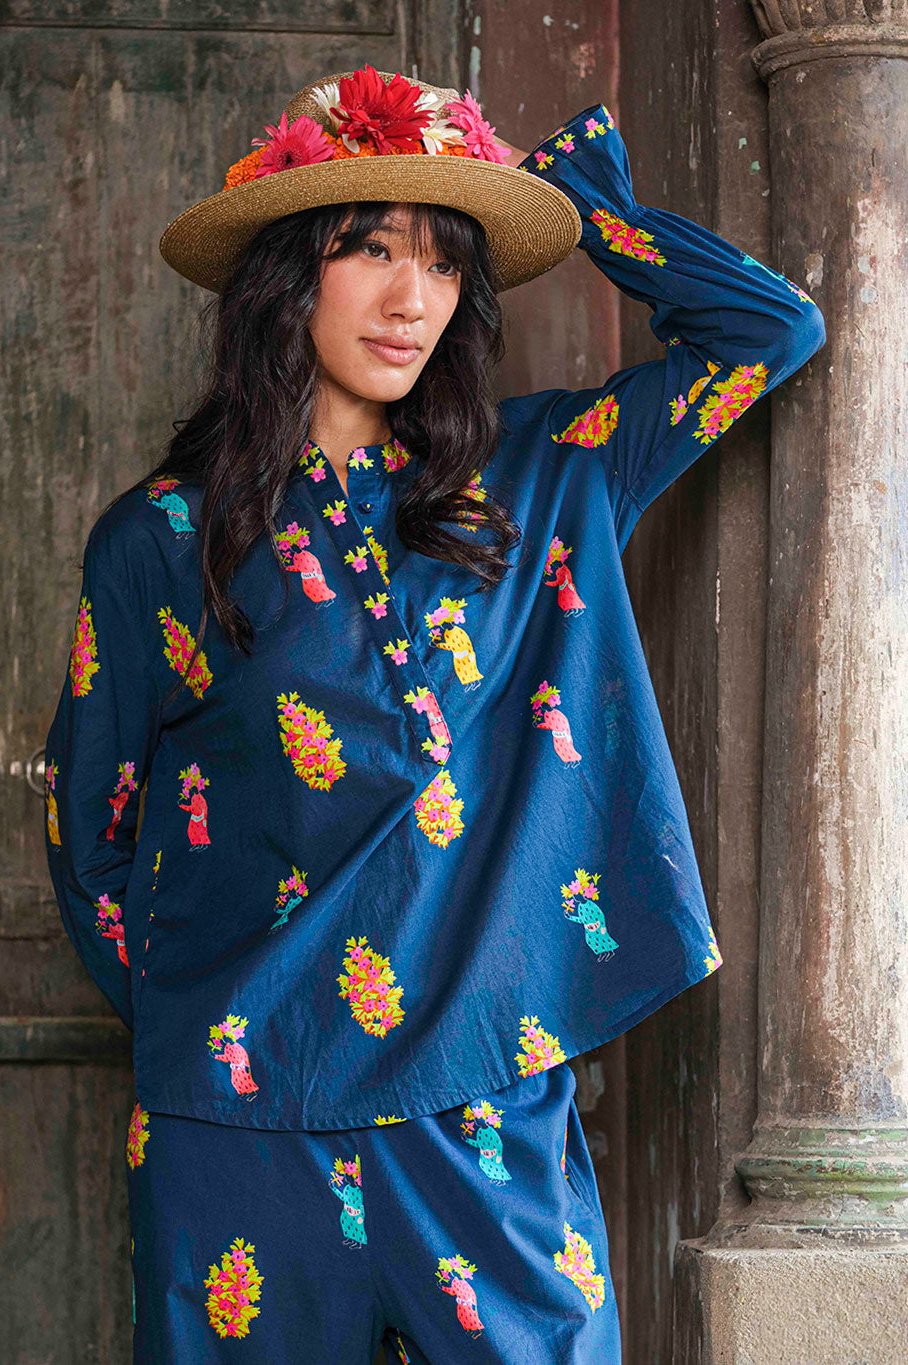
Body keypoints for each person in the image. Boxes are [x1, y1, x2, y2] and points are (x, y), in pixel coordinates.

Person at [43, 63, 825, 1363]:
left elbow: (769, 333)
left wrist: (584, 206)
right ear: (288, 277)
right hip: (240, 1135)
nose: (412, 298)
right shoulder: (161, 541)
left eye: (445, 262)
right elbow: (92, 842)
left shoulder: (547, 476)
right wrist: (228, 1037)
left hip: (481, 1113)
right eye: (367, 251)